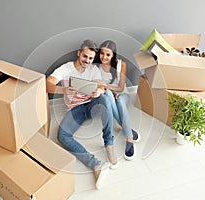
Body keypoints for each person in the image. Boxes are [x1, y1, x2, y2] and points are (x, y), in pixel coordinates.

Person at [46, 40, 118, 190]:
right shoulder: (65, 68)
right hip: (75, 109)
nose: (87, 61)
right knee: (62, 136)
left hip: (92, 104)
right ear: (79, 53)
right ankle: (96, 165)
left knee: (105, 97)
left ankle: (109, 143)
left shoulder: (93, 70)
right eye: (85, 56)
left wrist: (99, 91)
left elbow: (102, 86)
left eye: (91, 58)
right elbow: (48, 84)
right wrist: (63, 91)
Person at [94, 40, 141, 161]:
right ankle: (127, 131)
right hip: (109, 94)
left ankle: (129, 138)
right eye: (102, 53)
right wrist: (108, 89)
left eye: (108, 54)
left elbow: (120, 87)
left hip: (123, 94)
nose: (104, 57)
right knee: (108, 93)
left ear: (113, 55)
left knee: (119, 101)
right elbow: (100, 87)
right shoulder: (96, 67)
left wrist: (108, 87)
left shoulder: (121, 64)